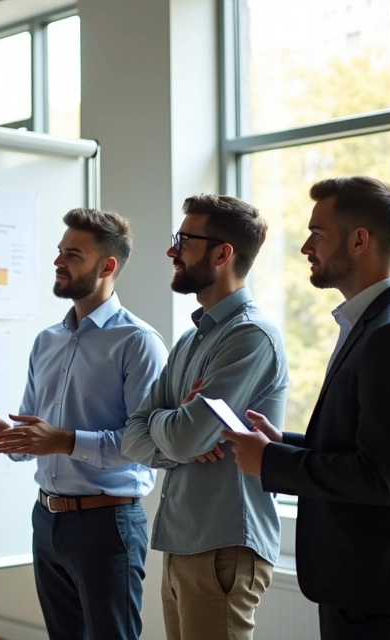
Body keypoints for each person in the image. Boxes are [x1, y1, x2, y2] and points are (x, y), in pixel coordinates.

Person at [222, 177, 390, 640]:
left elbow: (379, 477)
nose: (306, 246)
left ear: (359, 240)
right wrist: (283, 443)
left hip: (375, 584)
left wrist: (271, 462)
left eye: (317, 233)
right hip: (365, 580)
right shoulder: (376, 324)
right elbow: (364, 446)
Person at [0, 208, 168, 639]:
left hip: (107, 525)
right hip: (47, 519)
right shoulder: (47, 340)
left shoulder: (138, 343)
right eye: (60, 251)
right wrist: (10, 438)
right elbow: (33, 435)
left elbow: (147, 444)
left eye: (73, 255)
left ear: (107, 266)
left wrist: (62, 440)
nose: (59, 262)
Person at [120, 194, 288, 640]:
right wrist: (177, 421)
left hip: (223, 548)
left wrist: (176, 427)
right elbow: (130, 437)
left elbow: (178, 438)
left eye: (184, 240)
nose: (172, 251)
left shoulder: (250, 337)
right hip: (184, 543)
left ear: (222, 253)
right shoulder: (191, 341)